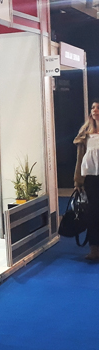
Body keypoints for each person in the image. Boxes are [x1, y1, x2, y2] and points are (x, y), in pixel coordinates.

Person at [73, 100, 99, 262]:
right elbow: (79, 159)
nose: (95, 110)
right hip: (90, 177)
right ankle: (94, 248)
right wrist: (77, 181)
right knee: (93, 213)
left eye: (98, 107)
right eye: (93, 107)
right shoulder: (85, 134)